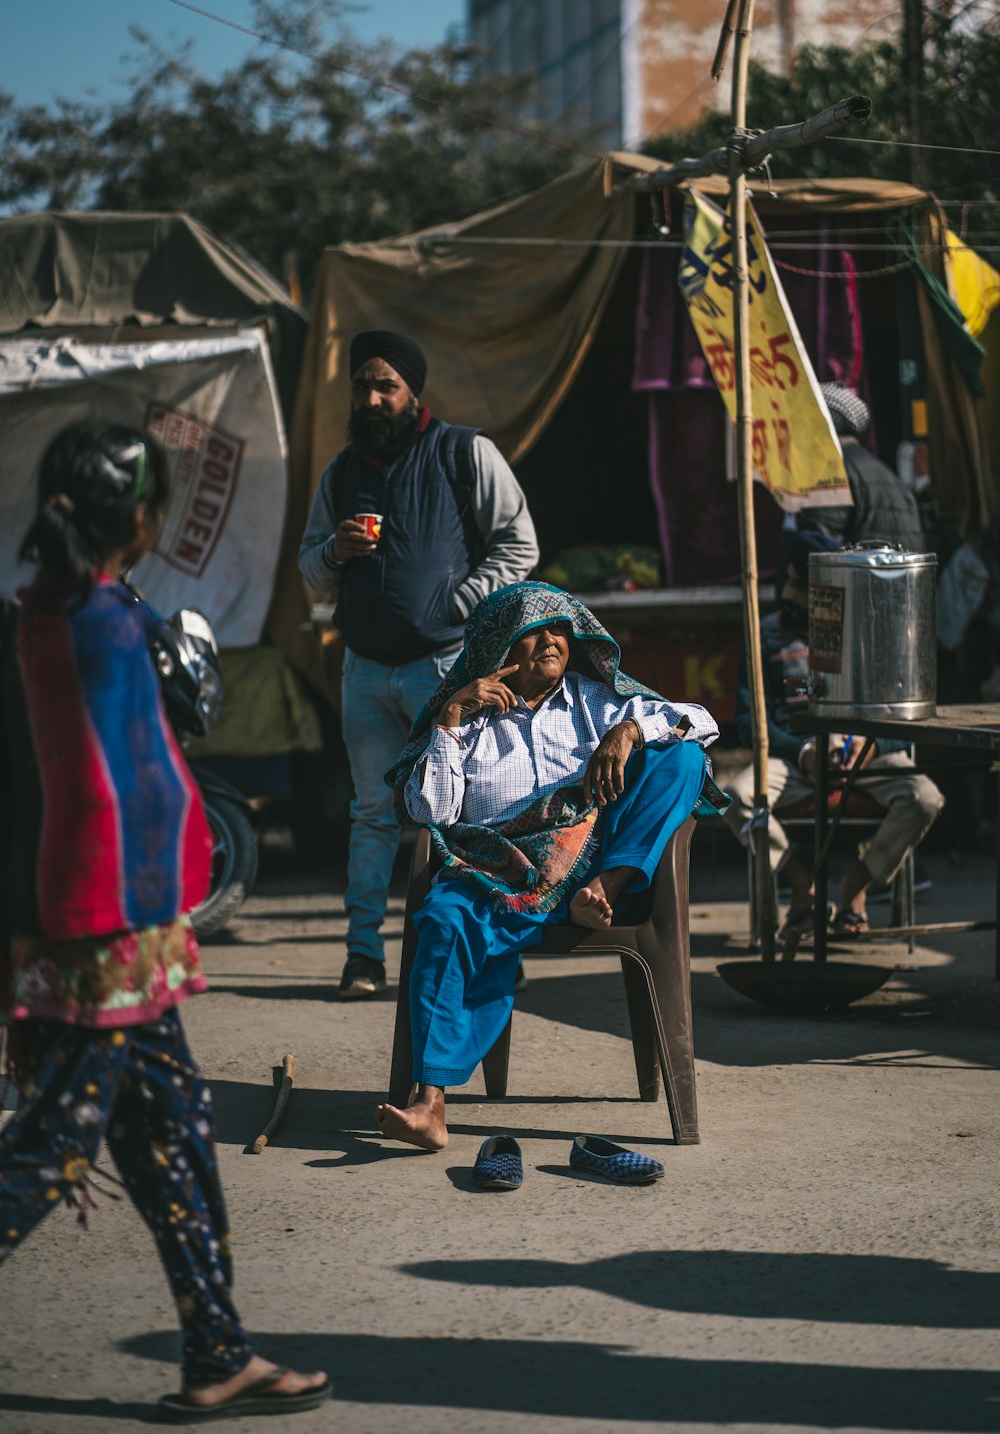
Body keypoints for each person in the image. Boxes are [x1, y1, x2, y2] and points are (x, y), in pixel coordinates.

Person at [0, 421, 330, 1423]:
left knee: (174, 1140)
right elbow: (129, 772)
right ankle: (218, 1349)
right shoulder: (104, 624)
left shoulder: (47, 615)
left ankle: (216, 1353)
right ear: (139, 519)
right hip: (101, 932)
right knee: (48, 1155)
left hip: (122, 931)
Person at [374, 580, 724, 1152]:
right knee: (443, 918)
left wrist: (630, 731)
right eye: (533, 631)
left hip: (594, 873)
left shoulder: (597, 699)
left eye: (560, 628)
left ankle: (604, 890)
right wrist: (452, 716)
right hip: (500, 872)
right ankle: (431, 1104)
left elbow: (700, 720)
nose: (550, 640)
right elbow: (431, 812)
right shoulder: (466, 719)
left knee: (681, 757)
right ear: (498, 646)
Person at [299, 330, 539, 999]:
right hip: (365, 671)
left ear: (412, 393)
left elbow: (518, 545)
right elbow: (308, 570)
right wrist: (335, 553)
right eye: (362, 385)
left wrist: (460, 602)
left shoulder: (464, 453)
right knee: (373, 813)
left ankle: (467, 954)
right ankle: (362, 958)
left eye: (387, 386)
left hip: (444, 672)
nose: (372, 398)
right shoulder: (343, 472)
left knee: (459, 812)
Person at [724, 532, 944, 940]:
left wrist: (872, 743)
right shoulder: (765, 635)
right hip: (792, 760)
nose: (789, 592)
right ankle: (804, 886)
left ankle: (856, 887)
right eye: (786, 581)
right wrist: (803, 751)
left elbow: (905, 721)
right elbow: (749, 720)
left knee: (924, 797)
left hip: (866, 758)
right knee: (737, 798)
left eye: (799, 584)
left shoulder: (871, 633)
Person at [798, 382, 925, 552]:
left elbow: (817, 546)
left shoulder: (831, 470)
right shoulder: (887, 473)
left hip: (853, 578)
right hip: (900, 578)